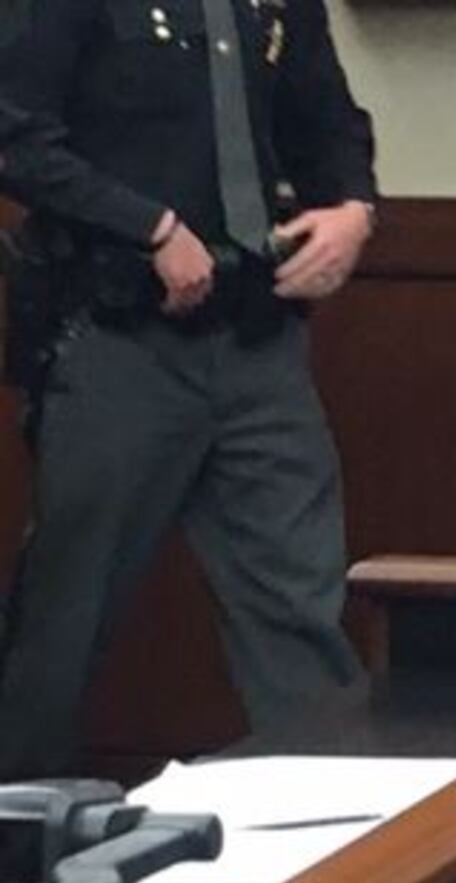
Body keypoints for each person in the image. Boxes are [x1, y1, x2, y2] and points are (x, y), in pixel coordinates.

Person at [0, 0, 377, 781]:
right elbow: (16, 137)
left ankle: (330, 822)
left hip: (257, 336)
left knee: (297, 607)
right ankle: (17, 822)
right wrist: (149, 228)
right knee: (64, 613)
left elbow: (327, 118)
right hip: (118, 339)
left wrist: (352, 208)